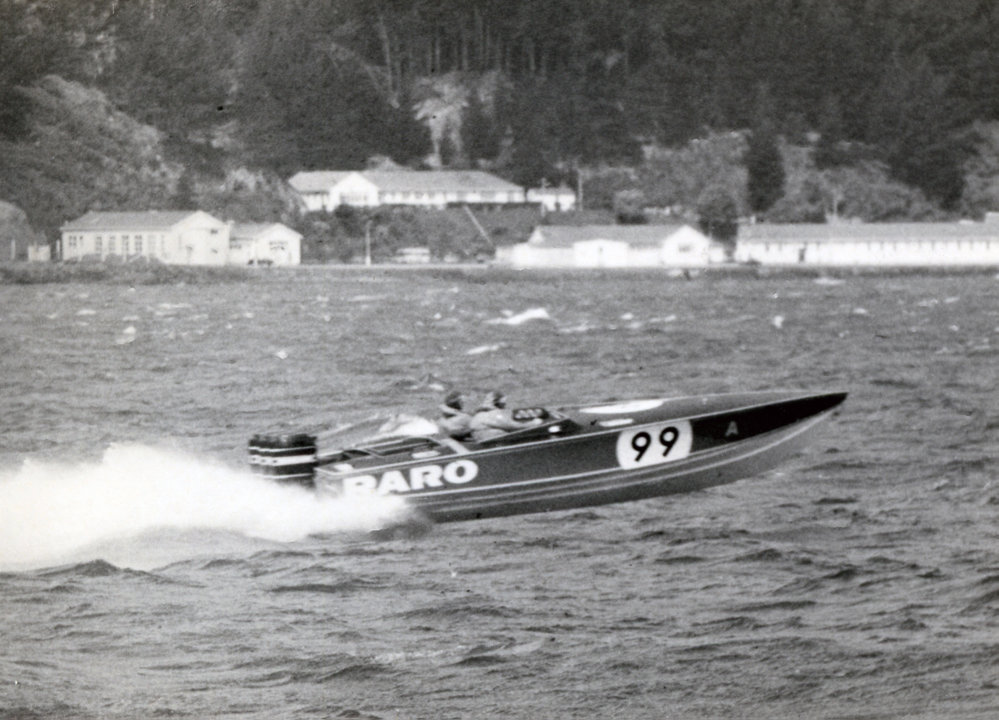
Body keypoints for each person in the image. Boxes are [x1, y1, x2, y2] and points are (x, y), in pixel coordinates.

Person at [468, 390, 543, 443]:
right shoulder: (491, 414)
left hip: (487, 440)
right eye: (503, 402)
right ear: (496, 401)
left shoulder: (479, 414)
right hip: (494, 441)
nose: (504, 405)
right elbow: (511, 426)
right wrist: (533, 423)